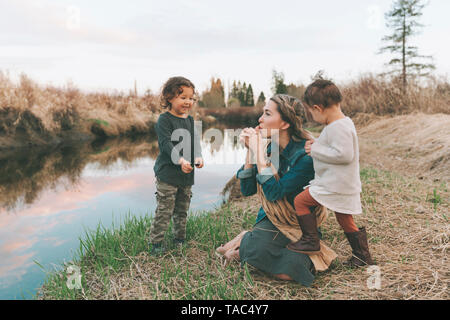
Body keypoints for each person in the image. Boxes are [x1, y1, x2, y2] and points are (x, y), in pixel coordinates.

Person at [217, 94, 337, 286]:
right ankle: (248, 240)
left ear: (284, 124)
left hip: (299, 224)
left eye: (267, 113)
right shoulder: (268, 149)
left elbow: (274, 192)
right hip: (271, 219)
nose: (260, 119)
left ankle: (244, 242)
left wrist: (259, 153)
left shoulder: (306, 157)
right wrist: (251, 152)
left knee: (290, 272)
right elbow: (247, 190)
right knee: (259, 249)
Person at [287, 79, 375, 267]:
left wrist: (315, 150)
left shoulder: (337, 127)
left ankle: (311, 240)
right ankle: (362, 256)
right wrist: (317, 143)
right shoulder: (343, 123)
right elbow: (334, 146)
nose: (312, 115)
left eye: (311, 111)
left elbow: (344, 155)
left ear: (318, 108)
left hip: (335, 184)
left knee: (300, 201)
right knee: (344, 218)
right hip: (342, 182)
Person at [149, 76, 204, 255]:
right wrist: (180, 160)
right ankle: (156, 244)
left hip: (186, 174)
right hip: (168, 174)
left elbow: (195, 142)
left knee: (182, 209)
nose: (188, 101)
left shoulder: (189, 120)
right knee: (165, 210)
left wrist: (198, 157)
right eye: (183, 97)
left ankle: (179, 239)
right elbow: (166, 144)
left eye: (191, 98)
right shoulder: (164, 120)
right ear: (169, 97)